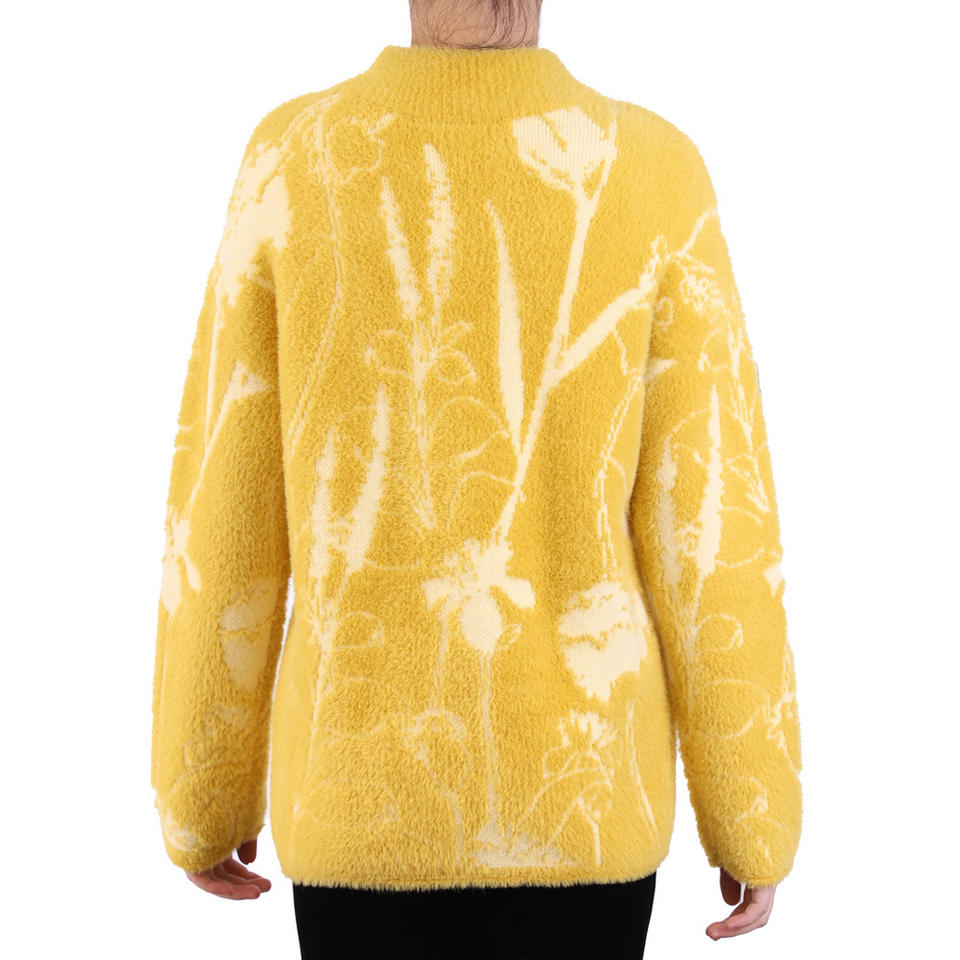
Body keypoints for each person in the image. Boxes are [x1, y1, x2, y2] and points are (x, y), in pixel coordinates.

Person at [150, 0, 803, 955]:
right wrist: (754, 806)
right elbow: (713, 520)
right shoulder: (654, 170)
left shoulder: (293, 157)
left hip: (355, 806)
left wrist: (200, 787)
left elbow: (224, 507)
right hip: (588, 811)